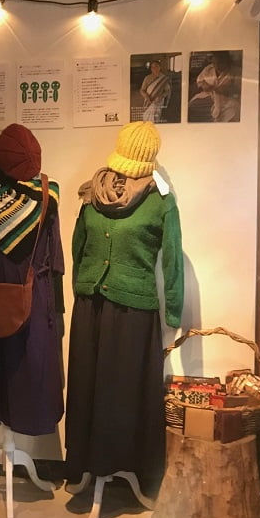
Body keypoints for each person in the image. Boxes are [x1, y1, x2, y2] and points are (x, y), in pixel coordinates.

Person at [65, 121, 184, 495]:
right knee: (86, 388)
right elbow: (79, 247)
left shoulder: (161, 203)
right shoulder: (93, 194)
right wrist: (80, 288)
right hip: (90, 307)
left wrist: (173, 312)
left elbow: (173, 260)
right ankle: (86, 466)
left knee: (124, 395)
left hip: (134, 313)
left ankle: (125, 470)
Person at [0, 123, 65, 437]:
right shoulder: (45, 195)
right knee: (22, 376)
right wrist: (57, 308)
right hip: (28, 300)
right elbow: (55, 257)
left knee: (16, 374)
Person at [189, 50, 241, 122]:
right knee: (192, 106)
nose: (217, 66)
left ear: (227, 61)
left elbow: (237, 89)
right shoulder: (208, 69)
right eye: (215, 63)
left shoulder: (235, 71)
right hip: (208, 97)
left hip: (227, 100)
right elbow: (199, 82)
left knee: (233, 110)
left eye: (220, 63)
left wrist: (223, 89)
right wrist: (203, 85)